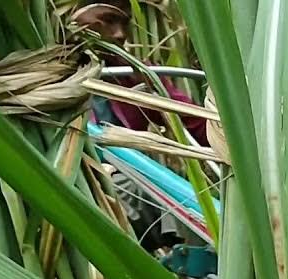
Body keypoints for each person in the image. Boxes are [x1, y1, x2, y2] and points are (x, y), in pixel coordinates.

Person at [72, 1, 209, 249]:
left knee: (191, 201)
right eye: (107, 20)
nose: (119, 34)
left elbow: (190, 119)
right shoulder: (51, 73)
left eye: (124, 23)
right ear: (75, 20)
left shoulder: (131, 75)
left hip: (132, 177)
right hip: (78, 179)